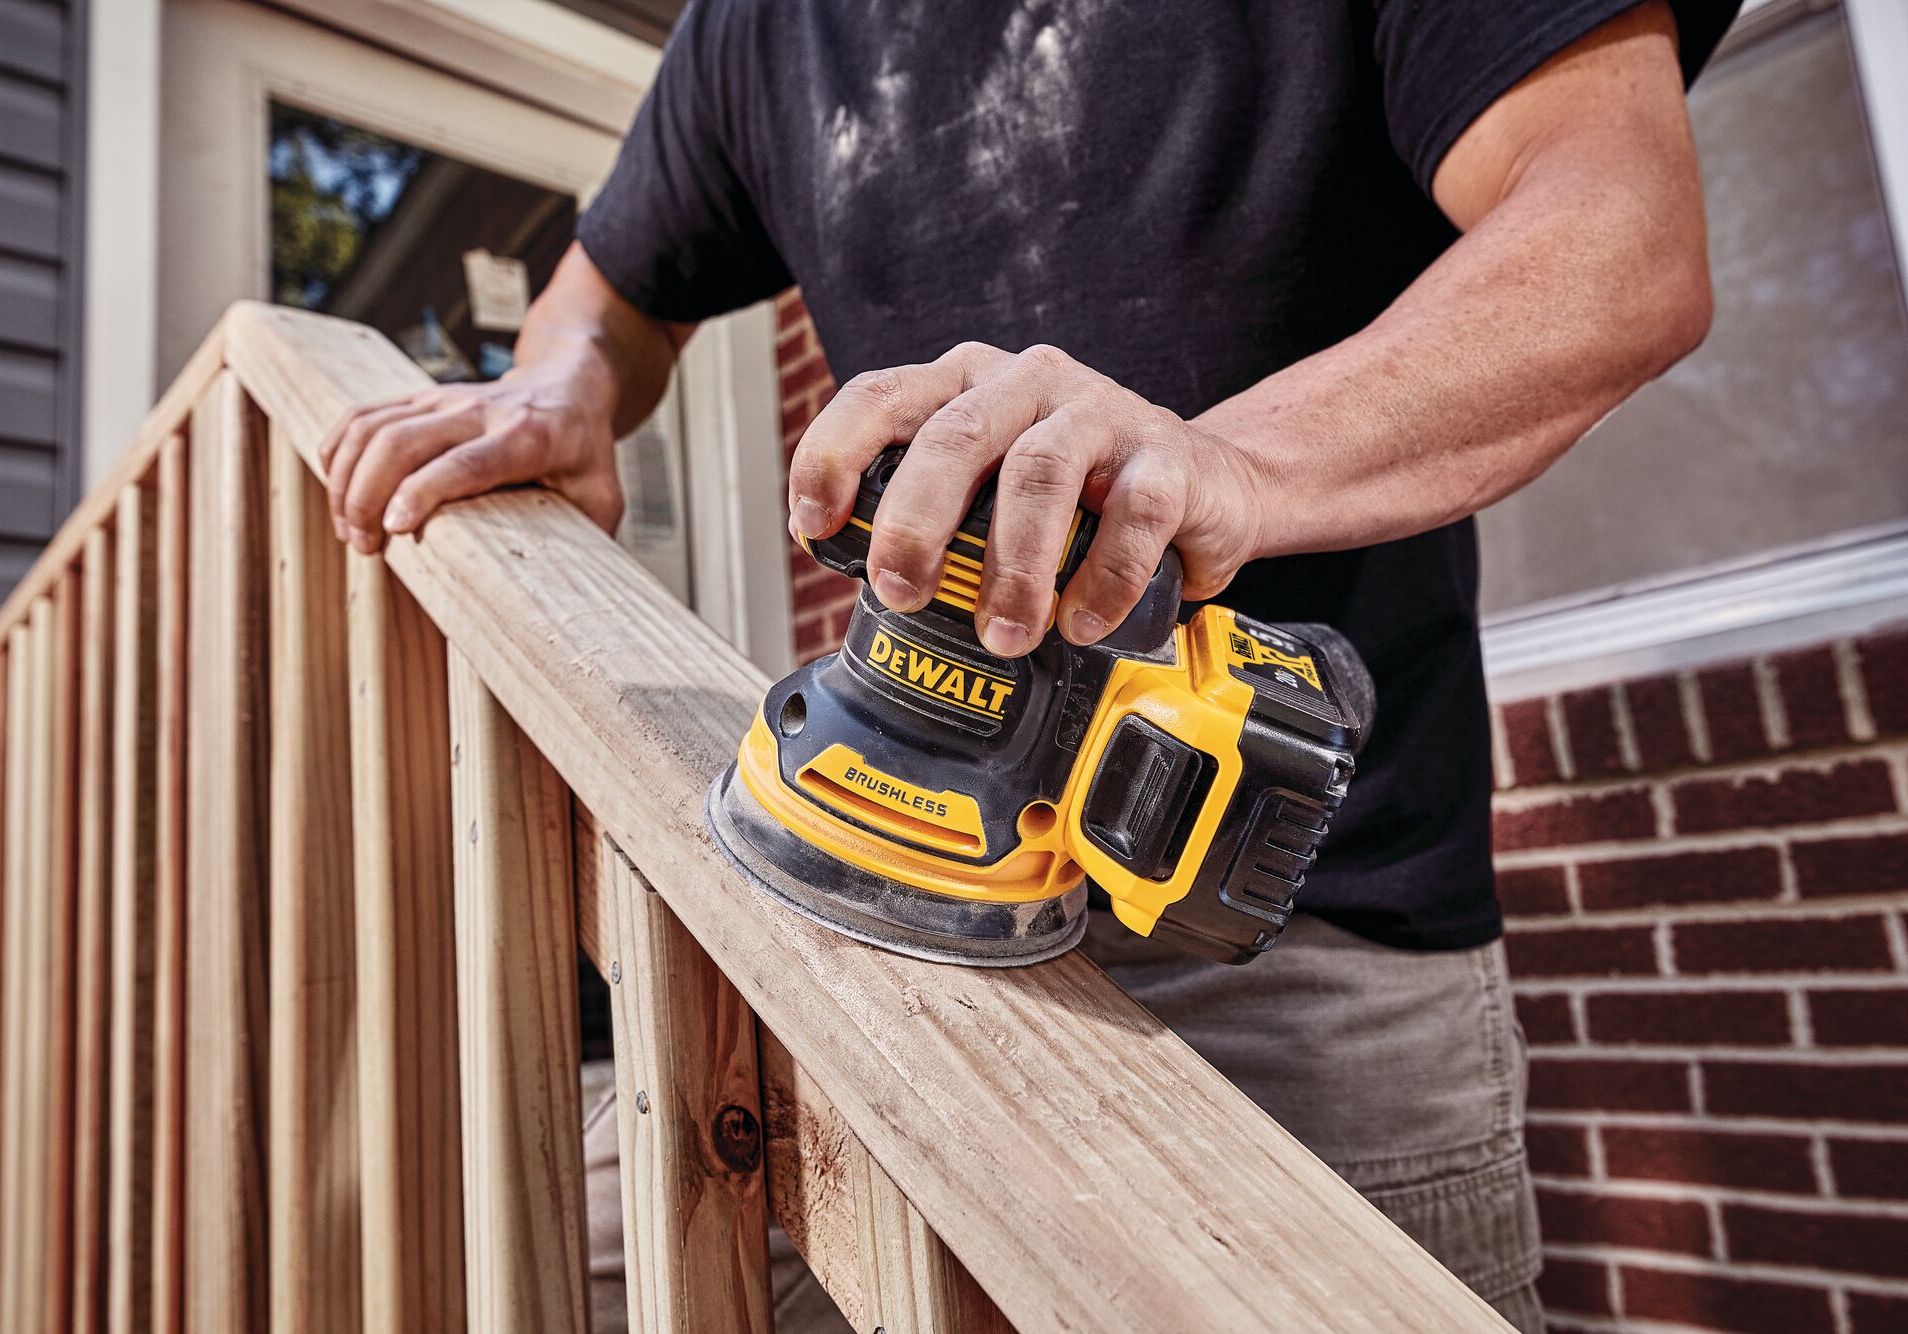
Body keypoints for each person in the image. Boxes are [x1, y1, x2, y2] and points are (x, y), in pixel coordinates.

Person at [322, 1, 1738, 1327]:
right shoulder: (759, 26)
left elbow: (1616, 235)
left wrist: (1225, 463)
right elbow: (606, 300)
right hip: (883, 908)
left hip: (1287, 938)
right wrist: (562, 381)